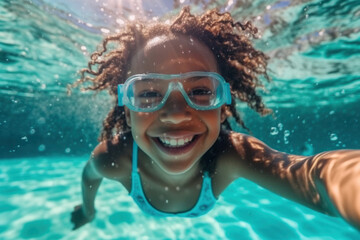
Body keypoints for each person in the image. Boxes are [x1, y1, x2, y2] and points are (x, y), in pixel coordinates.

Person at [69, 7, 360, 231]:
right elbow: (88, 177)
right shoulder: (115, 157)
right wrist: (88, 211)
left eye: (199, 90)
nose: (175, 114)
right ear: (128, 113)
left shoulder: (232, 156)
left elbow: (315, 178)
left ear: (222, 107)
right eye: (147, 94)